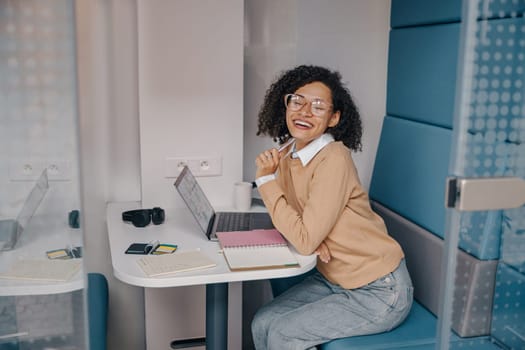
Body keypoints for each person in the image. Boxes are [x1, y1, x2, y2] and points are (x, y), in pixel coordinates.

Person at [251, 65, 413, 350]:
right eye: (297, 101)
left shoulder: (333, 158)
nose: (304, 111)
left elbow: (302, 236)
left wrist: (265, 179)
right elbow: (297, 221)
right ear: (285, 104)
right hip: (337, 280)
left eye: (317, 106)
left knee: (283, 334)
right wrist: (313, 239)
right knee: (262, 322)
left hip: (379, 289)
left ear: (334, 118)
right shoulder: (290, 153)